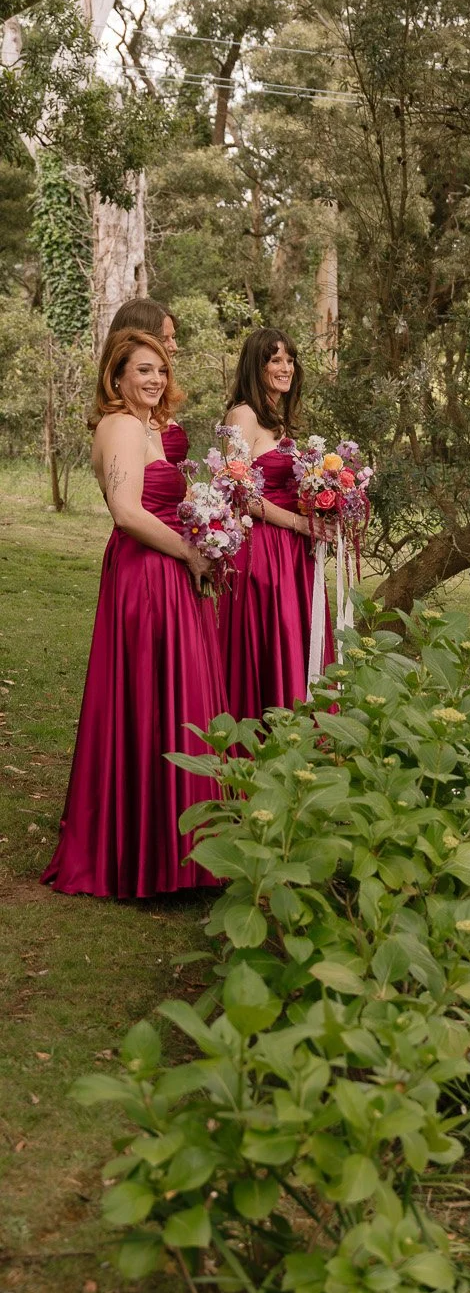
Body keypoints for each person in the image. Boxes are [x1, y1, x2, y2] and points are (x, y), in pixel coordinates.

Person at [43, 330, 226, 898]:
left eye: (161, 371)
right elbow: (124, 511)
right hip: (147, 574)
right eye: (142, 370)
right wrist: (189, 550)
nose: (154, 380)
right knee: (153, 702)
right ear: (116, 377)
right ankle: (152, 856)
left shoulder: (152, 428)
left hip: (165, 569)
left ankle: (182, 851)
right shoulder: (120, 425)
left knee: (176, 701)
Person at [217, 327, 331, 723]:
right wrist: (301, 523)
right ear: (256, 365)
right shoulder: (243, 416)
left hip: (293, 554)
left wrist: (324, 502)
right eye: (275, 360)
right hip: (263, 552)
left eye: (290, 359)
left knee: (297, 642)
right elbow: (240, 494)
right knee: (270, 641)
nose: (286, 367)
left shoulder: (280, 421)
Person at [103, 299, 186, 465]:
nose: (174, 346)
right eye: (165, 338)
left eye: (174, 337)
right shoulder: (122, 425)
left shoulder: (153, 402)